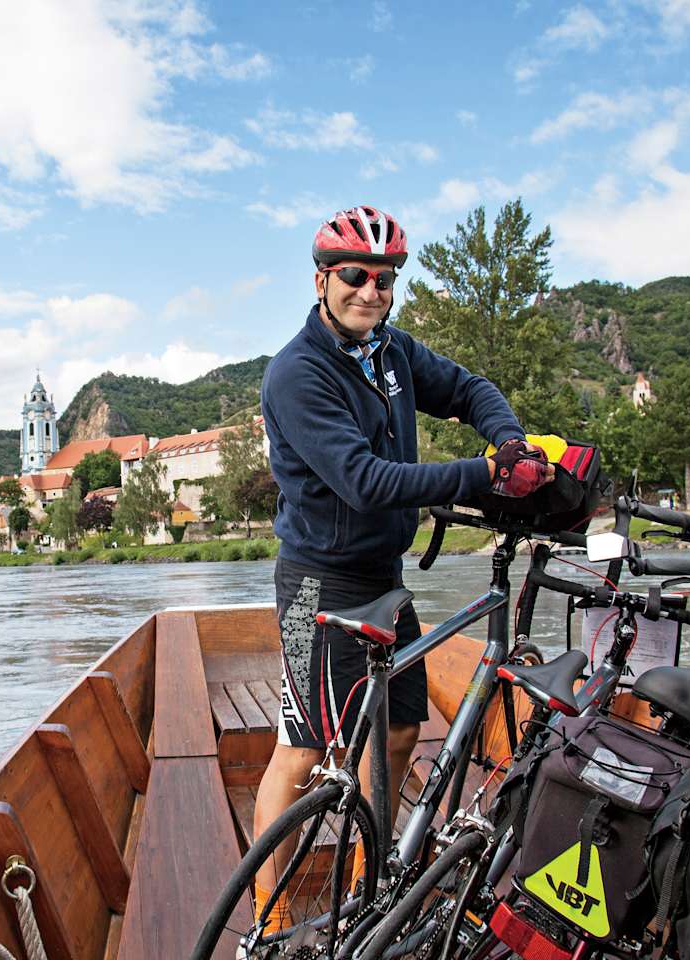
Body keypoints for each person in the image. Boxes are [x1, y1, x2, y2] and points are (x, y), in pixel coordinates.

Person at [251, 205, 554, 939]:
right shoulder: (298, 374)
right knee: (303, 747)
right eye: (355, 275)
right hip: (318, 584)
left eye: (385, 279)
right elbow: (365, 480)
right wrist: (484, 474)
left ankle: (362, 896)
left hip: (385, 576)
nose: (371, 291)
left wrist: (509, 441)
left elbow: (471, 388)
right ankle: (265, 920)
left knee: (398, 734)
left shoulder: (390, 351)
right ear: (323, 279)